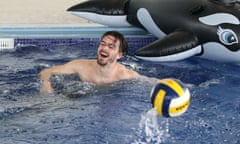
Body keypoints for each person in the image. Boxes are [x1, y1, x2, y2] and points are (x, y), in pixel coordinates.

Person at [39, 31, 141, 94]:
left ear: (119, 55)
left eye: (111, 47)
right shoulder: (80, 65)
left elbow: (149, 82)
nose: (104, 49)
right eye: (102, 44)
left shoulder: (125, 75)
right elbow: (46, 72)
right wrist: (46, 85)